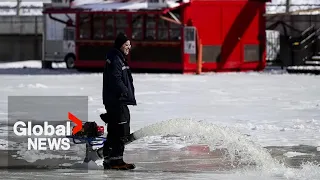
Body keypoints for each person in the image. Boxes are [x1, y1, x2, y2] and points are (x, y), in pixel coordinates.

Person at [102, 32, 137, 170]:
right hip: (117, 100)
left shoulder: (118, 57)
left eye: (130, 45)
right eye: (126, 45)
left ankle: (110, 159)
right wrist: (125, 91)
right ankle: (116, 161)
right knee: (121, 130)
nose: (129, 47)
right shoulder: (116, 59)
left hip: (115, 100)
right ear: (120, 45)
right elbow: (116, 79)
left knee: (115, 129)